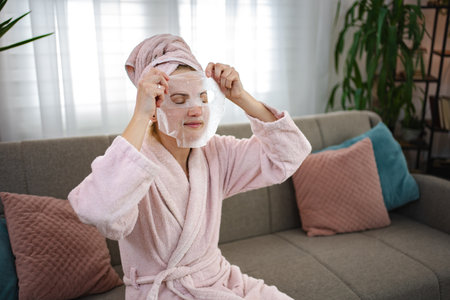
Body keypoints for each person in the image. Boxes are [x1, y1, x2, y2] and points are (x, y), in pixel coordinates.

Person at [68, 34, 311, 300]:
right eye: (180, 100)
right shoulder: (132, 163)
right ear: (155, 106)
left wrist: (241, 97)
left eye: (202, 98)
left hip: (220, 279)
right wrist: (139, 115)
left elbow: (290, 154)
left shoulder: (215, 152)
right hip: (163, 292)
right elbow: (101, 211)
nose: (196, 110)